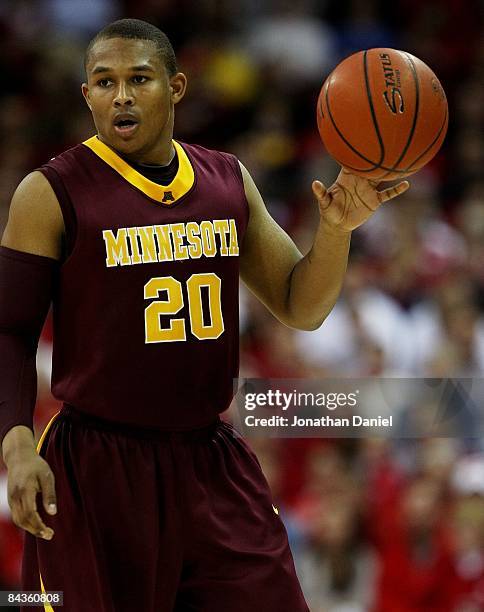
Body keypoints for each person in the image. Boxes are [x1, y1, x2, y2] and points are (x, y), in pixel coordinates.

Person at [0, 18, 409, 612]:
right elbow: (10, 331)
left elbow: (300, 304)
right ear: (85, 94)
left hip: (209, 457)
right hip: (98, 465)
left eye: (139, 78)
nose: (121, 95)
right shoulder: (51, 191)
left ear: (176, 87)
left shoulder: (226, 180)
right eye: (103, 81)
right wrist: (14, 444)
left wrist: (336, 230)